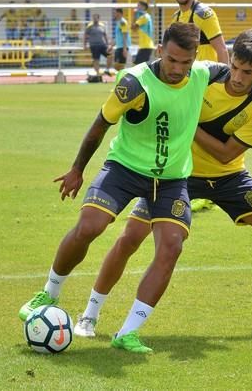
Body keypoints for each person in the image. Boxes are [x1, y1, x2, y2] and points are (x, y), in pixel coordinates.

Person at [72, 29, 252, 350]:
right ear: (230, 58)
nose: (239, 77)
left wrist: (186, 125)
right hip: (178, 175)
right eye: (237, 66)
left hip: (229, 177)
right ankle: (90, 313)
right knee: (129, 239)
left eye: (249, 72)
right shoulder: (205, 76)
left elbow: (226, 153)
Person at [18, 22, 224, 354]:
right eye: (172, 60)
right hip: (125, 169)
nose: (178, 69)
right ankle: (48, 292)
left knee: (171, 247)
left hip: (170, 181)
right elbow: (101, 124)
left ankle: (128, 332)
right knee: (89, 226)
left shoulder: (203, 73)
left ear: (195, 58)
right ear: (160, 51)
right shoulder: (134, 83)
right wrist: (77, 169)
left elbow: (237, 75)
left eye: (185, 62)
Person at [170, 0, 230, 211]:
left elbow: (222, 49)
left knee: (204, 137)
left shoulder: (204, 14)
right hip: (186, 84)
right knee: (187, 136)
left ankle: (206, 193)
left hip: (207, 84)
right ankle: (192, 189)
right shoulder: (176, 17)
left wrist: (224, 84)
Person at [171, 0, 229, 64]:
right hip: (188, 77)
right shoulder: (175, 18)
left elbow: (221, 49)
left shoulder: (203, 14)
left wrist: (222, 78)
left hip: (208, 77)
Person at [109, 8, 131, 73]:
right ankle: (122, 79)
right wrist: (111, 46)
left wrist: (124, 48)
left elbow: (125, 35)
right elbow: (118, 37)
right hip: (119, 47)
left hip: (122, 47)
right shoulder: (118, 22)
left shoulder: (122, 22)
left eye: (115, 13)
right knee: (117, 66)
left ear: (119, 13)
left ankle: (123, 80)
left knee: (120, 66)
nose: (114, 14)